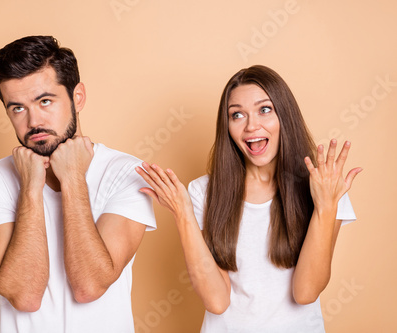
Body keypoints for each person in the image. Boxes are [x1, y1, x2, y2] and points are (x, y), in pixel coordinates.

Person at [136, 65, 362, 332]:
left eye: (264, 109)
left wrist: (325, 206)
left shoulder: (323, 186)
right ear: (227, 126)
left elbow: (306, 292)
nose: (251, 126)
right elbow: (217, 301)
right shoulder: (203, 192)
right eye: (237, 115)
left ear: (284, 116)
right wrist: (183, 212)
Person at [0, 35, 156, 333]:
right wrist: (31, 188)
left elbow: (90, 285)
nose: (33, 121)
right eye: (17, 108)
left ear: (77, 97)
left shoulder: (126, 173)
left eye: (45, 101)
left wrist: (72, 179)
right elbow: (24, 296)